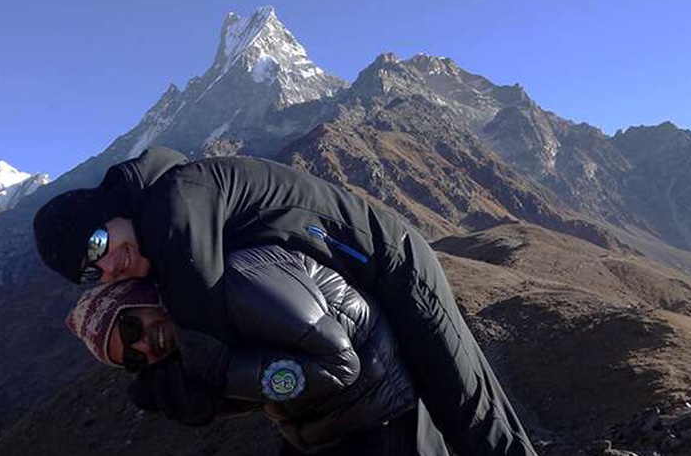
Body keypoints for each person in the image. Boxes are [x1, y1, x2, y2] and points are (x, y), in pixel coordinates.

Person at [34, 147, 538, 456]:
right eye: (88, 271)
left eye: (96, 245)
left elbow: (207, 342)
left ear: (109, 212)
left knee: (468, 410)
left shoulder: (174, 207)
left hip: (396, 264)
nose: (106, 267)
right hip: (360, 307)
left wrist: (183, 383)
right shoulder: (162, 228)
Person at [66, 245, 449, 456]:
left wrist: (222, 374)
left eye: (131, 326)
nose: (143, 344)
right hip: (327, 429)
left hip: (384, 419)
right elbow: (279, 379)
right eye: (132, 358)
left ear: (146, 297)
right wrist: (213, 399)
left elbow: (338, 366)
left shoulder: (235, 279)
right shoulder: (201, 330)